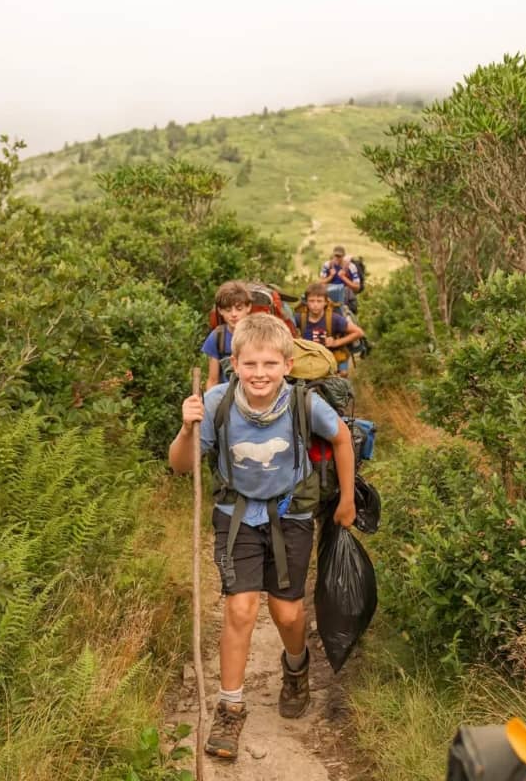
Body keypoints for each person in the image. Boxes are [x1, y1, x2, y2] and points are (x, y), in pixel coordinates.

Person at [168, 313, 356, 760]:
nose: (259, 374)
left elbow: (343, 438)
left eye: (270, 365)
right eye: (250, 365)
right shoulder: (216, 402)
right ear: (234, 362)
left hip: (291, 513)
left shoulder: (304, 404)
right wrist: (186, 427)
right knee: (240, 607)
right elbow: (181, 465)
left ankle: (296, 666)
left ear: (287, 365)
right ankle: (230, 707)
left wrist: (346, 501)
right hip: (234, 513)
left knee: (288, 613)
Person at [296, 281, 365, 377]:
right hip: (309, 357)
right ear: (306, 302)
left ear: (325, 302)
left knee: (342, 377)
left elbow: (359, 332)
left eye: (319, 301)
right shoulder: (300, 318)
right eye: (311, 301)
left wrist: (336, 342)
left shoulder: (334, 318)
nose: (315, 304)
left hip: (333, 355)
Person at [201, 280, 252, 390]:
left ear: (248, 307)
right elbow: (212, 380)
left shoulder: (259, 334)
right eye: (228, 310)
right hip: (228, 397)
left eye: (239, 309)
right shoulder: (217, 337)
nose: (233, 314)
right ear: (220, 311)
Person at [319, 245, 361, 310]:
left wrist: (343, 277)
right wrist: (331, 276)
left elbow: (357, 287)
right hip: (329, 294)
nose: (337, 258)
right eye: (336, 256)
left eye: (339, 256)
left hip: (345, 295)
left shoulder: (351, 267)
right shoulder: (327, 265)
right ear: (333, 255)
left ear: (343, 256)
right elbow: (321, 283)